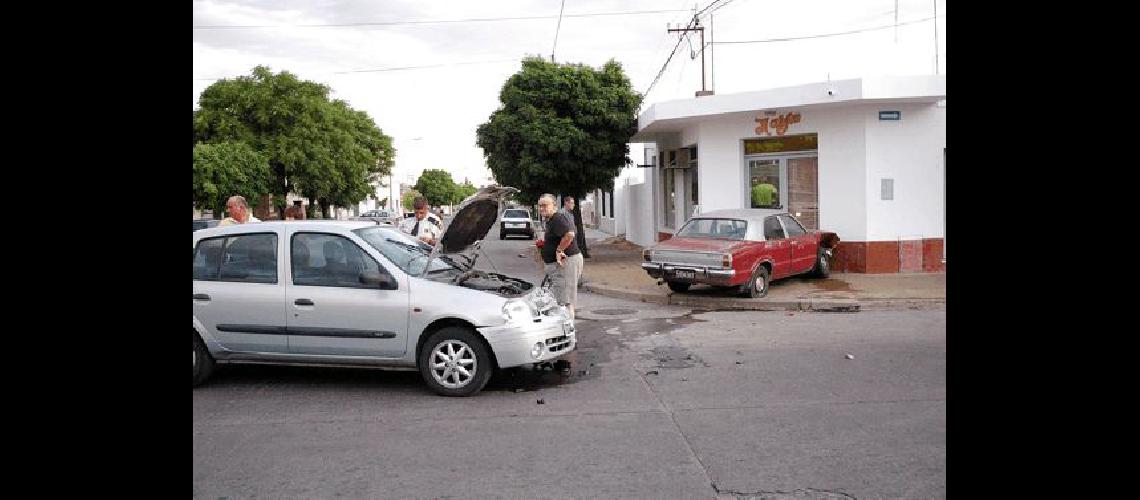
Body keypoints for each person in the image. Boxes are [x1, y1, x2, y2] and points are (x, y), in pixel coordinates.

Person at [537, 193, 583, 320]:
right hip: (560, 266)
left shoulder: (557, 218)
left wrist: (559, 250)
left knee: (565, 302)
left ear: (554, 206)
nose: (541, 208)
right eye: (540, 206)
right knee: (561, 300)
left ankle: (568, 335)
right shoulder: (552, 220)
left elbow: (569, 235)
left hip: (566, 263)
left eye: (545, 205)